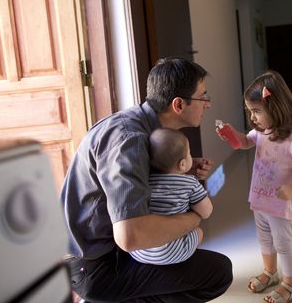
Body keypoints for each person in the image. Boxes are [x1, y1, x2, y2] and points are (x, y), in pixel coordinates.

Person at [61, 57, 232, 302]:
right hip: (96, 265)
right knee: (218, 272)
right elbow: (131, 237)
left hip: (106, 250)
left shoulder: (142, 126)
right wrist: (195, 217)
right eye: (203, 96)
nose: (208, 104)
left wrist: (179, 170)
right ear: (178, 104)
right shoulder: (128, 140)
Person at [216, 70, 292, 303]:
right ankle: (270, 272)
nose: (252, 117)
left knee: (282, 243)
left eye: (256, 111)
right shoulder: (262, 131)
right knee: (264, 239)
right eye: (250, 111)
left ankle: (290, 285)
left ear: (276, 107)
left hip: (281, 202)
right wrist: (230, 135)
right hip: (261, 199)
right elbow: (243, 143)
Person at [130, 128, 212, 265]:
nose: (191, 157)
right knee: (198, 232)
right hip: (171, 251)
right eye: (189, 154)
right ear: (182, 164)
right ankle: (182, 260)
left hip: (140, 252)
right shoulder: (190, 183)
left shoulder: (144, 181)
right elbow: (206, 212)